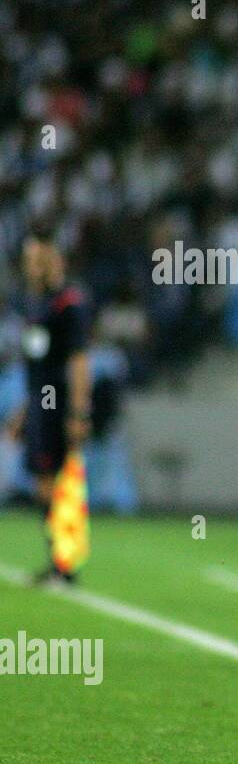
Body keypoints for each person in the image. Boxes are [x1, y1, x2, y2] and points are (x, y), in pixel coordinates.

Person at [6, 227, 91, 584]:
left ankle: (65, 563)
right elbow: (35, 366)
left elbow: (78, 360)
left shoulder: (67, 303)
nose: (31, 266)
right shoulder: (35, 304)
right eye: (27, 260)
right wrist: (25, 411)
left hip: (58, 405)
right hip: (40, 403)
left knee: (59, 481)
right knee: (44, 481)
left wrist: (77, 411)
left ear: (53, 259)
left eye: (36, 258)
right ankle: (59, 559)